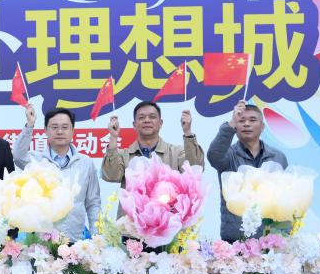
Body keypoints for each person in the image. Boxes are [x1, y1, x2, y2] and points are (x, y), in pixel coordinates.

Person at [13, 105, 101, 240]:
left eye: (65, 127)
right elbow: (18, 155)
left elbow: (93, 203)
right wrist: (29, 125)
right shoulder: (36, 160)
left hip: (75, 241)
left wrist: (97, 237)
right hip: (42, 242)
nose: (60, 131)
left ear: (73, 130)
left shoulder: (85, 162)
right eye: (54, 127)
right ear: (45, 130)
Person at [208, 100, 288, 242]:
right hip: (235, 239)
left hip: (270, 238)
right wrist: (231, 122)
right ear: (235, 127)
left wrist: (284, 233)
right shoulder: (228, 155)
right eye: (241, 120)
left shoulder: (278, 157)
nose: (246, 124)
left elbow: (285, 199)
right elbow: (214, 156)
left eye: (252, 120)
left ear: (262, 126)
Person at [101, 101, 204, 185]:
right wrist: (113, 137)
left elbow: (195, 171)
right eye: (141, 117)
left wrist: (187, 132)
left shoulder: (176, 152)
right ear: (134, 125)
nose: (147, 120)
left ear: (160, 123)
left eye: (152, 117)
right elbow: (112, 176)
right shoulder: (124, 155)